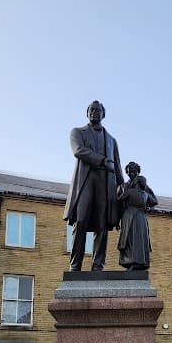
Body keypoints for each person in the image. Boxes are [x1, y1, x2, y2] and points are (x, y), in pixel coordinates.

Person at [64, 100, 124, 271]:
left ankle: (98, 266)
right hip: (85, 181)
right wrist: (102, 160)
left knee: (102, 225)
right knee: (81, 221)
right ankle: (75, 266)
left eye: (98, 110)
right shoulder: (77, 132)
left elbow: (118, 168)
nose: (94, 112)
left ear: (103, 114)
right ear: (87, 112)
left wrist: (124, 190)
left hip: (106, 185)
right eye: (91, 109)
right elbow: (78, 151)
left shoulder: (111, 140)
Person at [117, 162, 157, 270]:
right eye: (129, 172)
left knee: (139, 238)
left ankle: (140, 262)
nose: (132, 174)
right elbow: (117, 204)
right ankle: (128, 262)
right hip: (127, 216)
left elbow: (153, 201)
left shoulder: (144, 187)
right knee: (128, 239)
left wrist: (149, 208)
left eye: (134, 172)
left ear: (138, 172)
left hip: (140, 216)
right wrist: (116, 221)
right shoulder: (123, 186)